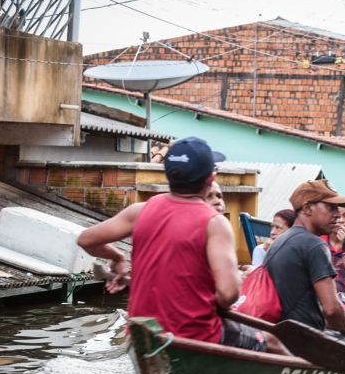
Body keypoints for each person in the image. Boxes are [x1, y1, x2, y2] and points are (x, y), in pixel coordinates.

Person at [76, 136, 288, 355]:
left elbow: (86, 240)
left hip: (144, 333)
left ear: (168, 175)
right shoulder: (215, 224)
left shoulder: (139, 211)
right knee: (272, 342)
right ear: (210, 178)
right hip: (196, 334)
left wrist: (117, 257)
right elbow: (228, 294)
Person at [264, 179, 345, 361]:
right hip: (304, 338)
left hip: (283, 331)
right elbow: (331, 310)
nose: (337, 216)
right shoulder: (315, 245)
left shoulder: (281, 241)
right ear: (307, 208)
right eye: (331, 208)